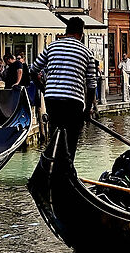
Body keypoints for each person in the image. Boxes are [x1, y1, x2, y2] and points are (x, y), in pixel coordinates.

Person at [37, 18, 98, 162]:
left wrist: (45, 89)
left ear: (66, 31)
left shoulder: (51, 47)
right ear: (81, 34)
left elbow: (33, 70)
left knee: (55, 135)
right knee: (71, 140)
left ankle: (53, 165)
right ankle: (67, 166)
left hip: (52, 99)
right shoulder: (87, 52)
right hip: (73, 101)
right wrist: (87, 111)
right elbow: (91, 84)